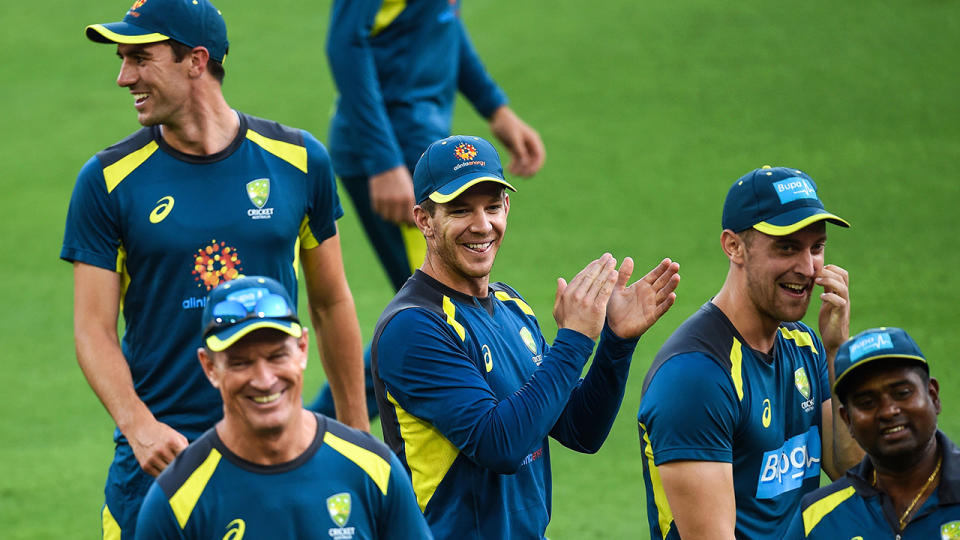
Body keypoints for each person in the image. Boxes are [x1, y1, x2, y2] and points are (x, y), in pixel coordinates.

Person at [60, 1, 367, 537]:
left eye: (140, 58)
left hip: (277, 450)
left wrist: (359, 436)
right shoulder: (106, 181)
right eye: (122, 59)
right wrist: (139, 427)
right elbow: (93, 329)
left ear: (195, 60)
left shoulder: (299, 161)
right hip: (159, 461)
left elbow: (331, 301)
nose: (123, 76)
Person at [371, 135, 681, 538]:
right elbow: (501, 444)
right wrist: (573, 340)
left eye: (493, 207)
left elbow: (579, 429)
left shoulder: (511, 305)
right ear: (425, 220)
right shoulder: (413, 327)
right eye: (460, 210)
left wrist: (616, 343)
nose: (482, 225)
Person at [309, 0, 547, 418]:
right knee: (432, 309)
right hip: (396, 159)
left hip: (421, 150)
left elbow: (442, 20)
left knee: (429, 311)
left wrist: (495, 107)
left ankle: (313, 431)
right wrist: (384, 161)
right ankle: (313, 439)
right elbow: (344, 44)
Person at [637, 166, 865, 539]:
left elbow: (854, 477)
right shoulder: (696, 378)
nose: (807, 268)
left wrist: (837, 352)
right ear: (734, 246)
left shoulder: (804, 345)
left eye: (817, 248)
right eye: (787, 247)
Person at [135, 276, 432, 539]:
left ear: (302, 350)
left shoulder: (373, 469)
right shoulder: (176, 501)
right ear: (210, 367)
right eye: (241, 363)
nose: (264, 380)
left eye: (277, 356)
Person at [786, 326, 960, 539]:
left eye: (902, 393)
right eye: (867, 402)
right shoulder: (818, 518)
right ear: (847, 420)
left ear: (933, 396)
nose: (888, 411)